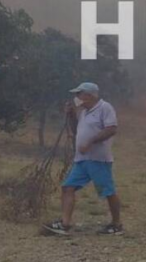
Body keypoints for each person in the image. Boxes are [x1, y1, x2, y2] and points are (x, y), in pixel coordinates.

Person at [43, 82, 123, 236]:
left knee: (107, 191)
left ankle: (116, 224)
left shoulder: (104, 108)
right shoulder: (84, 112)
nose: (76, 97)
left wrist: (91, 141)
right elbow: (75, 129)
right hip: (81, 159)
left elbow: (111, 129)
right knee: (68, 187)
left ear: (89, 95)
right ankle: (65, 224)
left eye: (79, 94)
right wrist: (72, 114)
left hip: (98, 160)